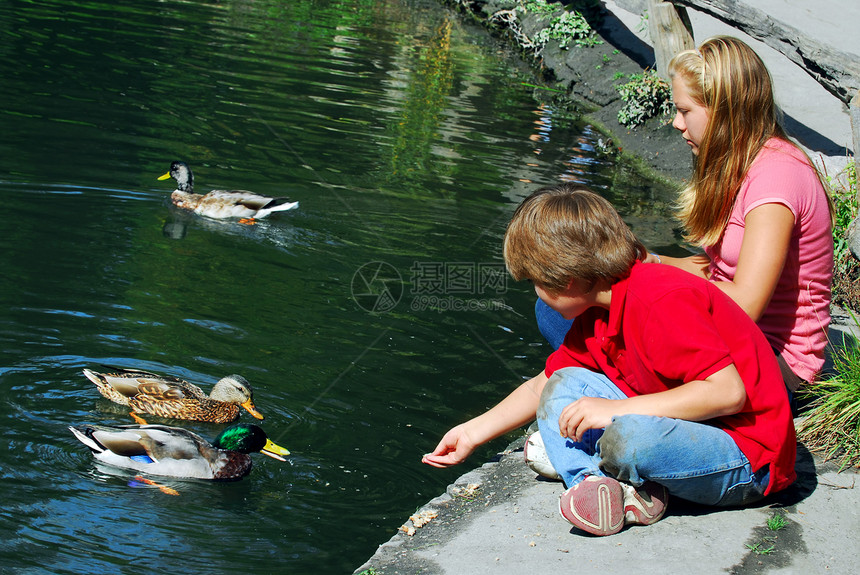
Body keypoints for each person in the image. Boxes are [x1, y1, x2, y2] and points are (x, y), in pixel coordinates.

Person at [423, 184, 796, 536]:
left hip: (747, 456)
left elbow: (728, 393)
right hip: (686, 429)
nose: (536, 292)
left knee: (629, 437)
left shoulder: (659, 298)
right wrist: (471, 433)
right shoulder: (595, 313)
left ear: (566, 280)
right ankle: (595, 486)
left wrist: (614, 410)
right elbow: (542, 384)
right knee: (563, 384)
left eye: (536, 281)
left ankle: (624, 483)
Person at [538, 36, 834, 399]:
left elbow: (747, 303)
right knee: (556, 305)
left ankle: (608, 399)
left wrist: (650, 290)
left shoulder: (777, 177)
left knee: (596, 312)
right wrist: (650, 261)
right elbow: (717, 271)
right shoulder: (738, 164)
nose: (677, 123)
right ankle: (609, 392)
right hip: (734, 340)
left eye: (685, 110)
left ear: (724, 109)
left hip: (774, 365)